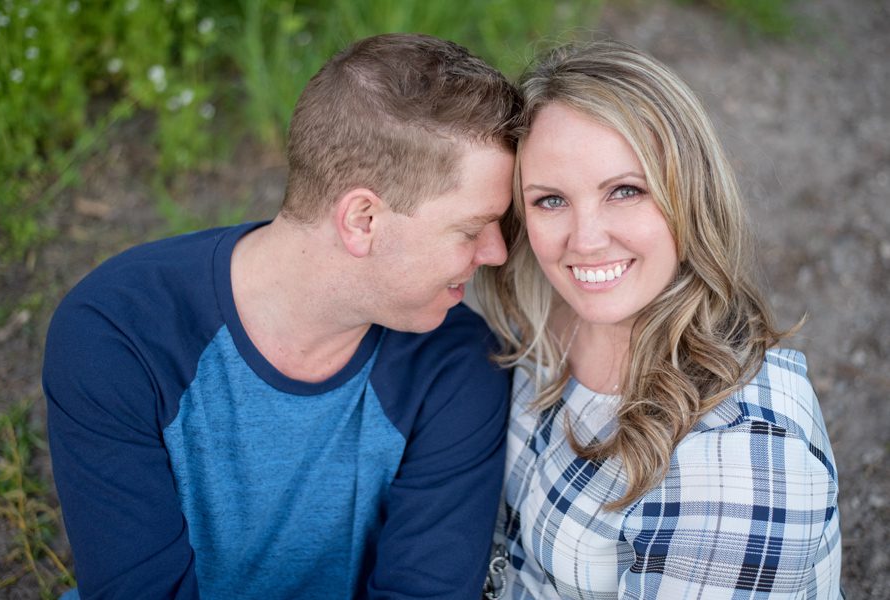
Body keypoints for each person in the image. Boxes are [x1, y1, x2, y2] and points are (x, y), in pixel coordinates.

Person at [43, 33, 520, 599]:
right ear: (363, 219)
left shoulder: (457, 362)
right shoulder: (120, 332)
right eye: (471, 229)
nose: (496, 253)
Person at [476, 40, 842, 599]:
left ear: (688, 195)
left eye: (625, 191)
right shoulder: (539, 315)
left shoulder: (740, 465)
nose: (586, 240)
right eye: (551, 200)